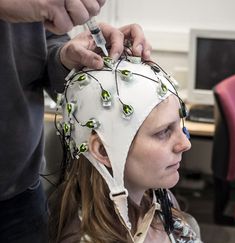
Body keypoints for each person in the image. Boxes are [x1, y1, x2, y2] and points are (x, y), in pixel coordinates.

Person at [0, 1, 151, 242]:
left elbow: (40, 48)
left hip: (21, 188)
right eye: (162, 132)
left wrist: (64, 56)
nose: (185, 144)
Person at [48, 55, 201, 243]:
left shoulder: (161, 200)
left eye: (179, 124)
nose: (186, 143)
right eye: (163, 132)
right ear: (104, 151)